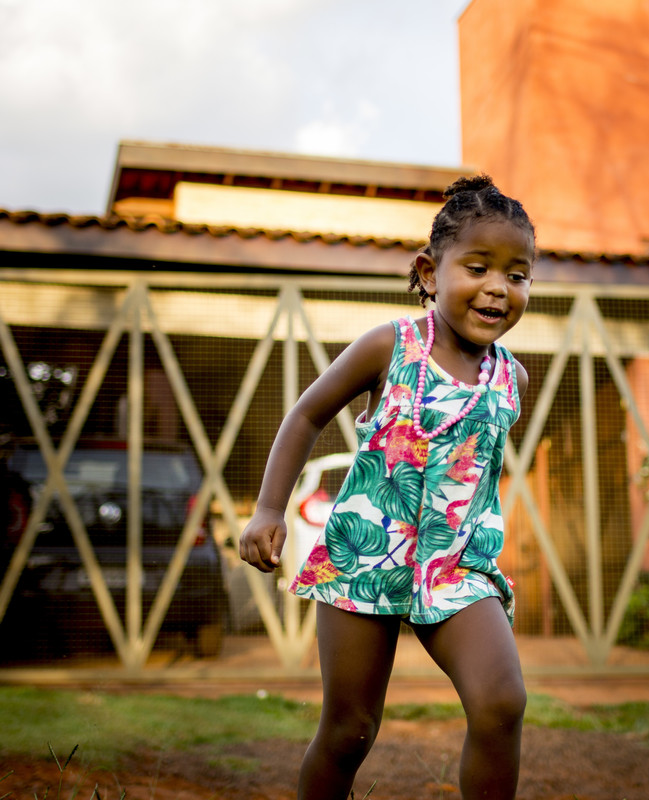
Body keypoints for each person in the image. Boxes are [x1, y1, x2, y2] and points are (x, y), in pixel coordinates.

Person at [240, 173, 536, 800]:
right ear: (430, 274)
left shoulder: (513, 379)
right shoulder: (390, 346)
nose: (497, 288)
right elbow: (306, 416)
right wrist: (268, 508)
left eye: (517, 275)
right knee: (350, 731)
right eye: (478, 267)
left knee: (503, 702)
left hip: (457, 567)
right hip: (366, 552)